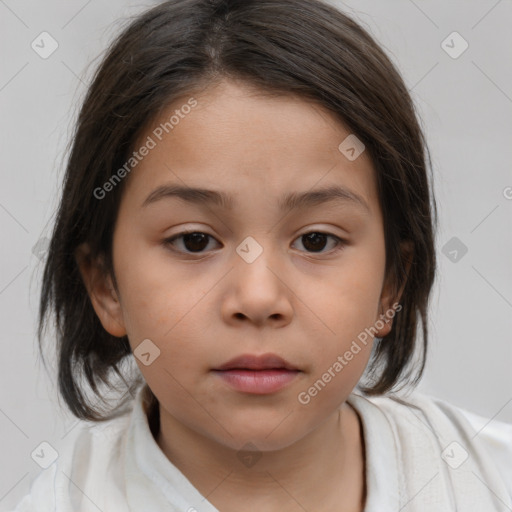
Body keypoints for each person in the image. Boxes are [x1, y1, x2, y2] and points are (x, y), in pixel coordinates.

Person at [13, 0, 512, 510]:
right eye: (194, 240)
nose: (257, 297)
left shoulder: (489, 482)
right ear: (105, 285)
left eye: (316, 240)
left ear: (392, 283)